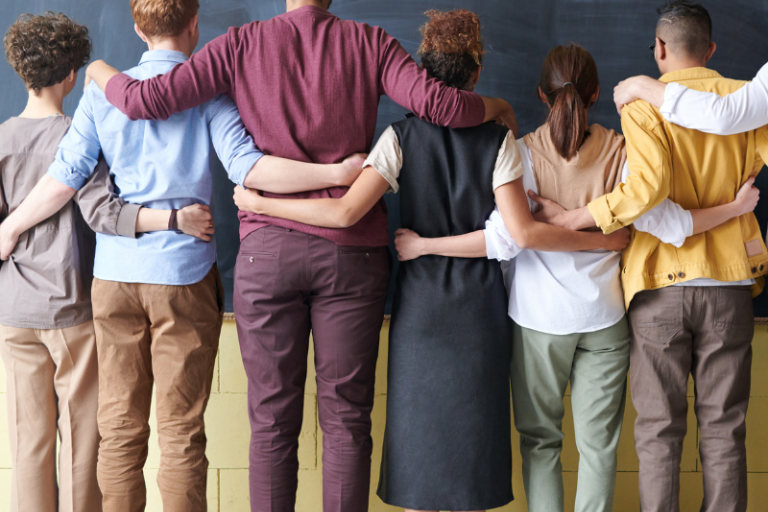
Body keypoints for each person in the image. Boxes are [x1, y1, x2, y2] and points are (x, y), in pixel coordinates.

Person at [82, 1, 520, 511]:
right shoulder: (370, 42)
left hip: (267, 258)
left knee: (270, 422)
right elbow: (444, 107)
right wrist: (496, 108)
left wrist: (96, 66)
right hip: (351, 256)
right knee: (348, 420)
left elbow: (144, 100)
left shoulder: (240, 45)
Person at [230, 14, 644, 512]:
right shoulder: (501, 141)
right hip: (479, 309)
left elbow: (343, 211)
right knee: (471, 454)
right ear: (475, 74)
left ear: (423, 74)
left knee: (420, 448)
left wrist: (260, 204)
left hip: (421, 309)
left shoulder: (398, 138)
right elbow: (518, 235)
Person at [0, 2, 364, 511]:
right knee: (181, 430)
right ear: (194, 26)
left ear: (136, 29)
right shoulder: (210, 93)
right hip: (183, 276)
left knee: (120, 430)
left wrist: (11, 227)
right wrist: (338, 173)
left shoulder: (101, 95)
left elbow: (63, 181)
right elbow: (249, 169)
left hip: (115, 278)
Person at [392, 42, 759, 512]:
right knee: (599, 448)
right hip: (604, 317)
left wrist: (426, 245)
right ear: (598, 93)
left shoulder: (518, 153)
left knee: (540, 442)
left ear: (541, 97)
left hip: (537, 319)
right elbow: (656, 223)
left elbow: (506, 239)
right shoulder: (622, 150)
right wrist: (603, 235)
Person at [528, 2, 768, 511]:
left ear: (659, 49)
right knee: (725, 428)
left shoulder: (640, 108)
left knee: (659, 432)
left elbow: (647, 193)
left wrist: (578, 217)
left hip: (659, 286)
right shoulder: (750, 102)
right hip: (730, 284)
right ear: (712, 50)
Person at [0, 11, 215, 512]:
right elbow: (103, 210)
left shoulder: (5, 136)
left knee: (33, 440)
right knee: (88, 438)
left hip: (16, 307)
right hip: (72, 305)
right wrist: (172, 220)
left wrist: (10, 231)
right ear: (72, 74)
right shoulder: (80, 126)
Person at [613, 57, 768, 136]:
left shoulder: (637, 110)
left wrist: (639, 85)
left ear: (660, 48)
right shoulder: (738, 89)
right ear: (710, 50)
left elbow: (648, 188)